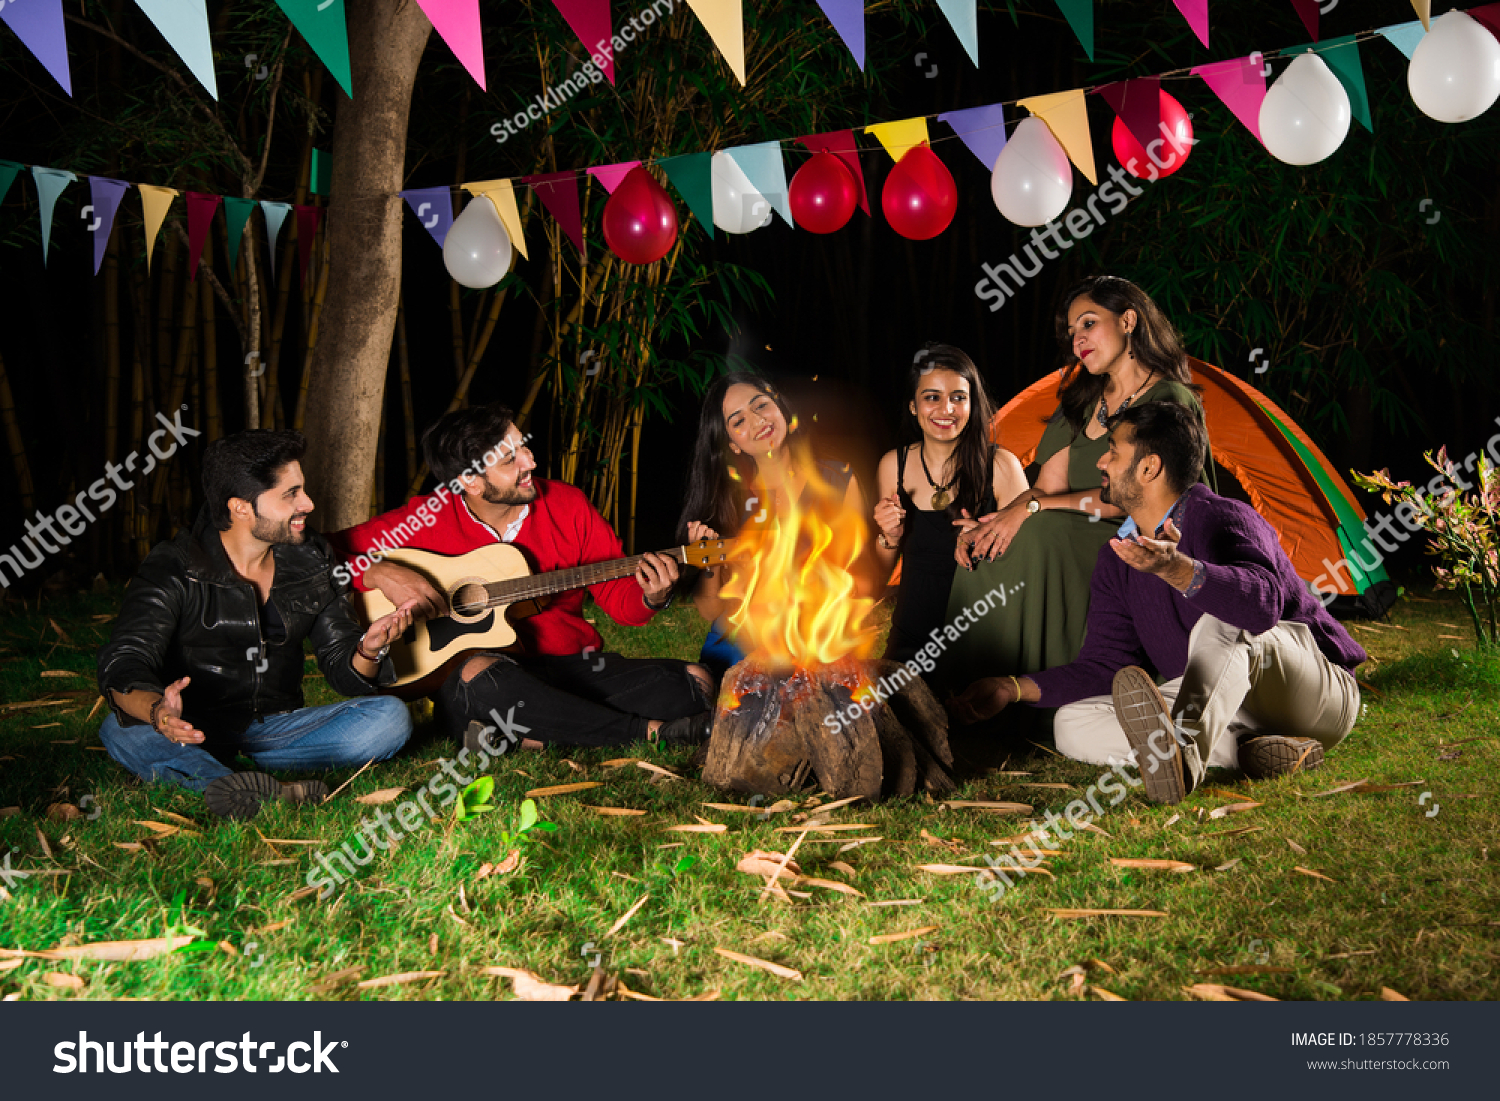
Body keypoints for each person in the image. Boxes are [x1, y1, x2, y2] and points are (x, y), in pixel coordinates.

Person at [948, 401, 1365, 804]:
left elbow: (1261, 608)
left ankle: (1183, 757)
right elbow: (1105, 666)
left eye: (1113, 452)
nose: (1101, 462)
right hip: (1220, 703)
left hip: (1309, 690)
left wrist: (1177, 569)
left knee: (1220, 620)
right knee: (1071, 722)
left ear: (1149, 467)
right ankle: (1245, 749)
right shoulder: (1119, 557)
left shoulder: (1222, 516)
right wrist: (1011, 688)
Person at [330, 403, 713, 751]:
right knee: (480, 678)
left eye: (523, 447)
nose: (529, 461)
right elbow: (318, 555)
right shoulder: (424, 520)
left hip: (571, 667)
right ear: (471, 481)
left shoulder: (567, 505)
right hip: (486, 676)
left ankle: (530, 733)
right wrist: (379, 571)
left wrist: (652, 596)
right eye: (509, 459)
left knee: (694, 683)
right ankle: (647, 733)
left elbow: (619, 600)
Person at [96, 430, 415, 820]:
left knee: (389, 718)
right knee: (120, 728)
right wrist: (160, 713)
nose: (308, 503)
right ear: (240, 507)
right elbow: (125, 660)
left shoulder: (311, 557)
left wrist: (368, 649)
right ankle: (245, 787)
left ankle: (214, 775)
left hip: (278, 730)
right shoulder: (176, 566)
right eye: (290, 494)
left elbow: (343, 671)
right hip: (187, 727)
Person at [940, 275, 1209, 695]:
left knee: (1045, 533)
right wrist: (998, 521)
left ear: (1128, 321)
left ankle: (1047, 694)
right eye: (1071, 331)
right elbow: (1046, 486)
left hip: (1144, 533)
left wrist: (1033, 510)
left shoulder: (1168, 397)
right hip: (1072, 521)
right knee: (987, 550)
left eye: (1088, 323)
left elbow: (1134, 500)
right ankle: (967, 695)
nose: (1077, 339)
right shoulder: (1082, 400)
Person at [675, 372, 869, 678]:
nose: (757, 421)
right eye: (738, 421)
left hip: (811, 640)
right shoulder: (728, 502)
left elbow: (859, 582)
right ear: (732, 444)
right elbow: (711, 611)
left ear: (781, 409)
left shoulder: (838, 481)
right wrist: (709, 563)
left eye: (761, 405)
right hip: (738, 646)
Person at [870, 344, 1027, 664]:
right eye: (932, 397)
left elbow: (1031, 563)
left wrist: (988, 540)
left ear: (972, 404)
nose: (947, 409)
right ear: (913, 406)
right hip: (910, 639)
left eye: (958, 397)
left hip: (983, 640)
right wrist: (890, 537)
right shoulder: (893, 465)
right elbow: (879, 572)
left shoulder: (1001, 466)